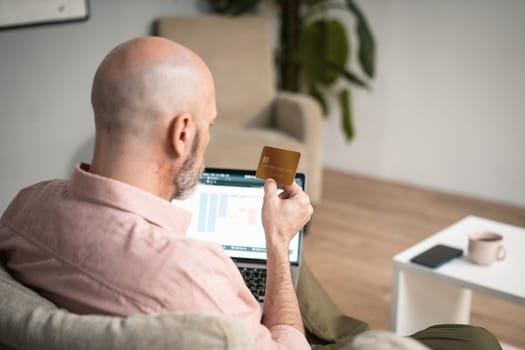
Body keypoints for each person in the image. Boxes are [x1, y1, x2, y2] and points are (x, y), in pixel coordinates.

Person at [0, 37, 502, 350]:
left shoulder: (25, 206)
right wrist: (277, 247)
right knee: (475, 339)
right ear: (182, 134)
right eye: (210, 124)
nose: (210, 136)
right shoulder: (194, 274)